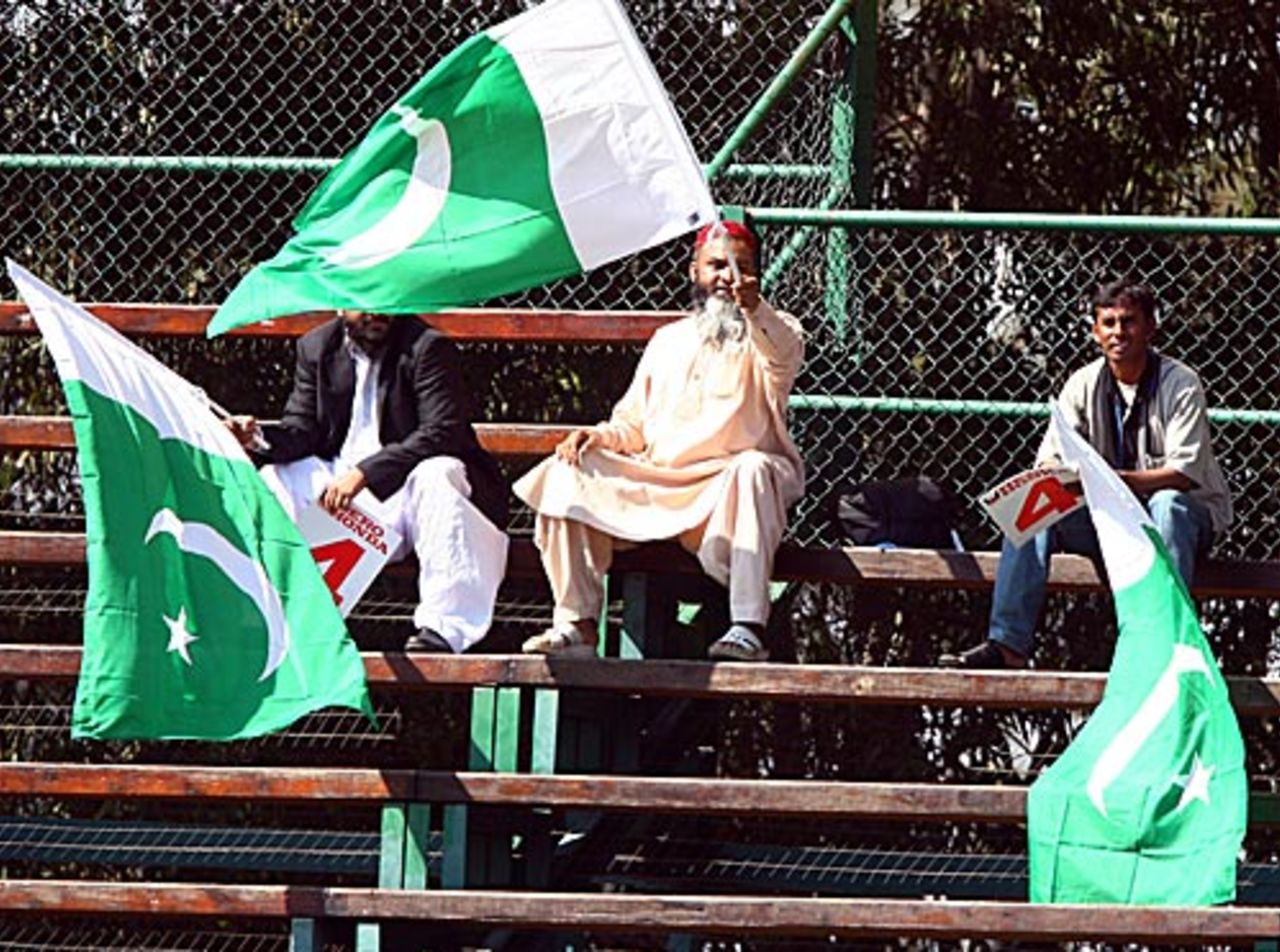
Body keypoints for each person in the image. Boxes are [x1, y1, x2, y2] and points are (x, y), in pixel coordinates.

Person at [513, 220, 805, 661]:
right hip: (660, 485)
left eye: (739, 267)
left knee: (753, 468)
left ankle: (746, 628)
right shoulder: (667, 341)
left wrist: (755, 308)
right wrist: (595, 437)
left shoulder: (776, 331)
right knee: (566, 471)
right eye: (716, 266)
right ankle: (576, 625)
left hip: (727, 492)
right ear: (694, 273)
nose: (727, 276)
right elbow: (632, 426)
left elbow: (781, 355)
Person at [944, 279, 1231, 669]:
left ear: (1151, 327)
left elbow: (1183, 473)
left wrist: (1108, 481)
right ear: (1095, 330)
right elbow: (1049, 463)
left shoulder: (1181, 382)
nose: (1118, 332)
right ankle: (1008, 644)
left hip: (1178, 520)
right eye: (1108, 322)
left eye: (1129, 322)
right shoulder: (1081, 383)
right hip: (1107, 518)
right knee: (1033, 505)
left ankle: (1163, 646)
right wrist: (1069, 482)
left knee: (1168, 504)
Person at [224, 309, 509, 653]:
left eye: (385, 300)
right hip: (342, 494)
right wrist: (255, 438)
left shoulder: (426, 346)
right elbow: (301, 431)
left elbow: (442, 432)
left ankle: (444, 630)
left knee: (439, 473)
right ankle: (269, 615)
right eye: (363, 300)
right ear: (341, 306)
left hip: (407, 493)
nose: (377, 311)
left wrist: (366, 473)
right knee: (276, 477)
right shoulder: (316, 346)